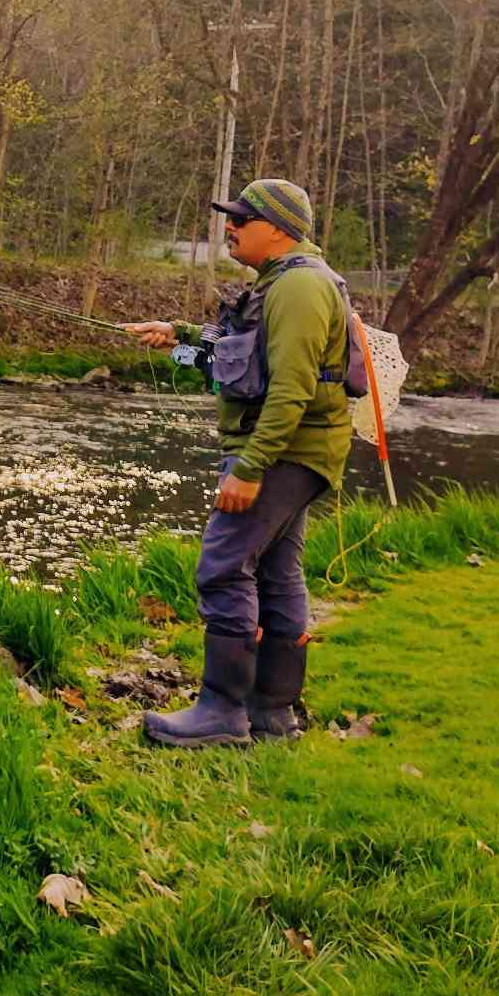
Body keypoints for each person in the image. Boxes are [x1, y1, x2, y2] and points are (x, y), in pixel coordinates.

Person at [124, 178, 354, 748]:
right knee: (276, 572)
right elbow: (236, 353)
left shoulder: (299, 287)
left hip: (283, 451)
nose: (230, 227)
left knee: (224, 565)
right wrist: (176, 337)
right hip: (298, 450)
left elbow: (293, 389)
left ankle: (221, 713)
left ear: (276, 229)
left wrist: (250, 468)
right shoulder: (280, 283)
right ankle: (272, 714)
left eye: (241, 220)